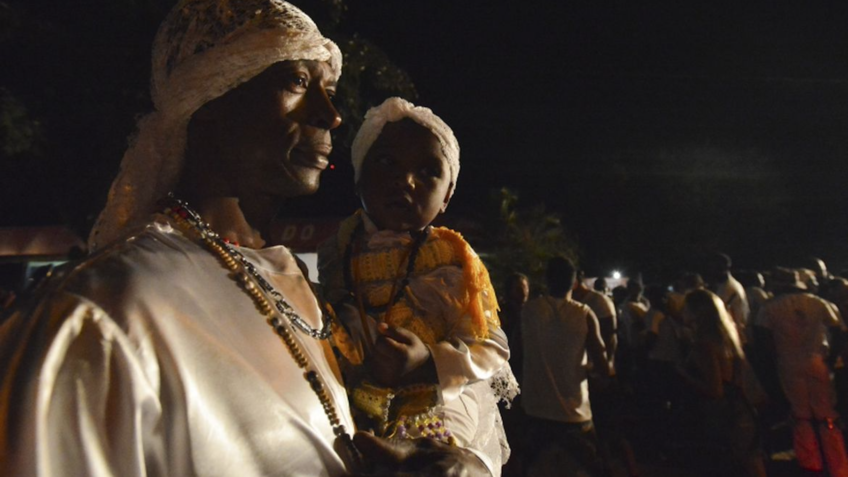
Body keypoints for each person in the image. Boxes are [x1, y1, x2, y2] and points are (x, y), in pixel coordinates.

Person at [0, 1, 491, 475]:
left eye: (329, 90)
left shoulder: (301, 291)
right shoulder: (98, 316)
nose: (331, 115)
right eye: (298, 81)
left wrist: (454, 465)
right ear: (211, 96)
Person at [317, 97, 514, 473]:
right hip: (355, 398)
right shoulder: (338, 247)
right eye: (387, 162)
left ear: (447, 196)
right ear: (358, 175)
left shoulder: (452, 257)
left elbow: (491, 347)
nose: (404, 180)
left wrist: (427, 361)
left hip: (437, 404)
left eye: (427, 171)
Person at [520, 256, 611, 476]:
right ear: (573, 283)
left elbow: (514, 355)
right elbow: (603, 366)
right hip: (575, 416)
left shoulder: (528, 311)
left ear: (547, 280)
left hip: (535, 413)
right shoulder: (585, 314)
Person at [758, 267, 848, 477]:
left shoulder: (769, 307)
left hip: (788, 363)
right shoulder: (819, 303)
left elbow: (762, 338)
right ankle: (839, 465)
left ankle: (811, 464)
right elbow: (839, 330)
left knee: (801, 416)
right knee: (827, 414)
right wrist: (832, 358)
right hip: (818, 360)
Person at [676, 289, 767, 477]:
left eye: (686, 307)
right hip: (741, 408)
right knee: (750, 462)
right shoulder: (728, 337)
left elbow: (715, 390)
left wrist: (683, 374)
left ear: (697, 311)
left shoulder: (704, 344)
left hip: (720, 415)